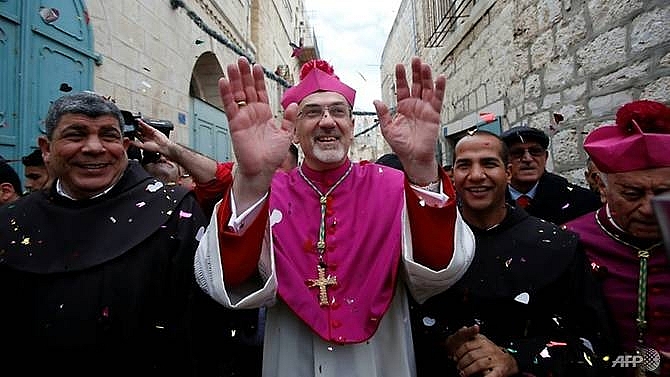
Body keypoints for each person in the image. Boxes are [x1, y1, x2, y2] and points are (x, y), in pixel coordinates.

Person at [193, 56, 475, 377]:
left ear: (352, 127)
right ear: (294, 133)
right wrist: (250, 179)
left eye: (338, 111)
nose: (327, 121)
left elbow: (438, 270)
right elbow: (229, 278)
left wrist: (423, 169)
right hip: (291, 355)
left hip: (380, 358)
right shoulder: (267, 192)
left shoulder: (393, 185)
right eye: (312, 112)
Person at [0, 91, 219, 376]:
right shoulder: (12, 222)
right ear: (46, 148)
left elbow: (198, 330)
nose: (94, 147)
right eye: (76, 135)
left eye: (108, 136)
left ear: (125, 145)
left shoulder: (172, 212)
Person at [410, 130, 615, 377]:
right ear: (453, 175)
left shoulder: (558, 245)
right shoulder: (429, 247)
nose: (476, 175)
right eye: (465, 165)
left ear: (507, 173)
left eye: (489, 164)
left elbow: (595, 344)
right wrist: (447, 344)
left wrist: (518, 358)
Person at [563, 99, 670, 376]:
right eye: (632, 195)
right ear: (601, 187)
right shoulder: (567, 242)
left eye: (664, 194)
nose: (649, 209)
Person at [501, 125, 601, 225]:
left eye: (535, 152)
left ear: (546, 157)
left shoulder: (582, 202)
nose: (527, 159)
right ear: (503, 160)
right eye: (517, 153)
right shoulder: (490, 201)